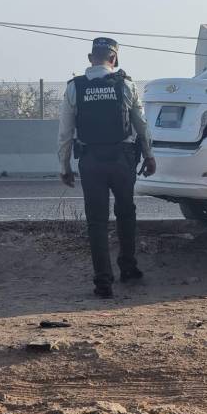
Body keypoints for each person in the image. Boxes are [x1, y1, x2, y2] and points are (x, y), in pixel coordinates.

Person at [57, 37, 156, 299]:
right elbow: (141, 125)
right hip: (122, 159)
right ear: (114, 59)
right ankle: (128, 267)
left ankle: (103, 282)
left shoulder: (74, 88)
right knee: (126, 213)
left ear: (91, 58)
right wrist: (149, 155)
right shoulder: (126, 84)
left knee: (97, 222)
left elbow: (65, 132)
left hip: (90, 161)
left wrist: (65, 165)